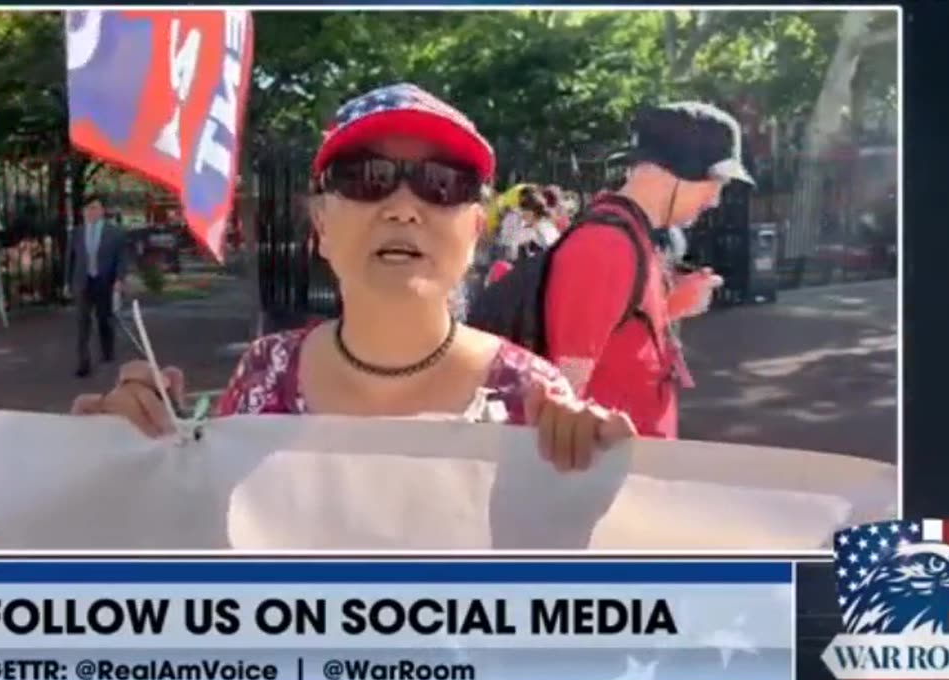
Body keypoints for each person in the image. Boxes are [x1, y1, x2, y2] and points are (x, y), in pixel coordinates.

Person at [73, 82, 634, 473]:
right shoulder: (264, 373)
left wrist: (594, 465)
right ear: (320, 223)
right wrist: (135, 459)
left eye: (442, 183)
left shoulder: (532, 398)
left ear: (475, 229)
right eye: (368, 178)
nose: (403, 207)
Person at [542, 102, 752, 438]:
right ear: (681, 168)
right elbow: (564, 395)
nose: (715, 199)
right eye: (717, 182)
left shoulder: (629, 235)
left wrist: (670, 306)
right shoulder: (605, 245)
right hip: (605, 473)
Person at [67, 195, 128, 378]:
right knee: (82, 323)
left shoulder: (114, 233)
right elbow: (70, 259)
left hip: (104, 282)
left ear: (102, 211)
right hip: (83, 282)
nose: (91, 212)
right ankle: (83, 363)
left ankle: (107, 353)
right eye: (88, 209)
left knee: (104, 320)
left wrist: (119, 279)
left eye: (95, 208)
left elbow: (121, 259)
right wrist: (67, 282)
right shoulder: (77, 232)